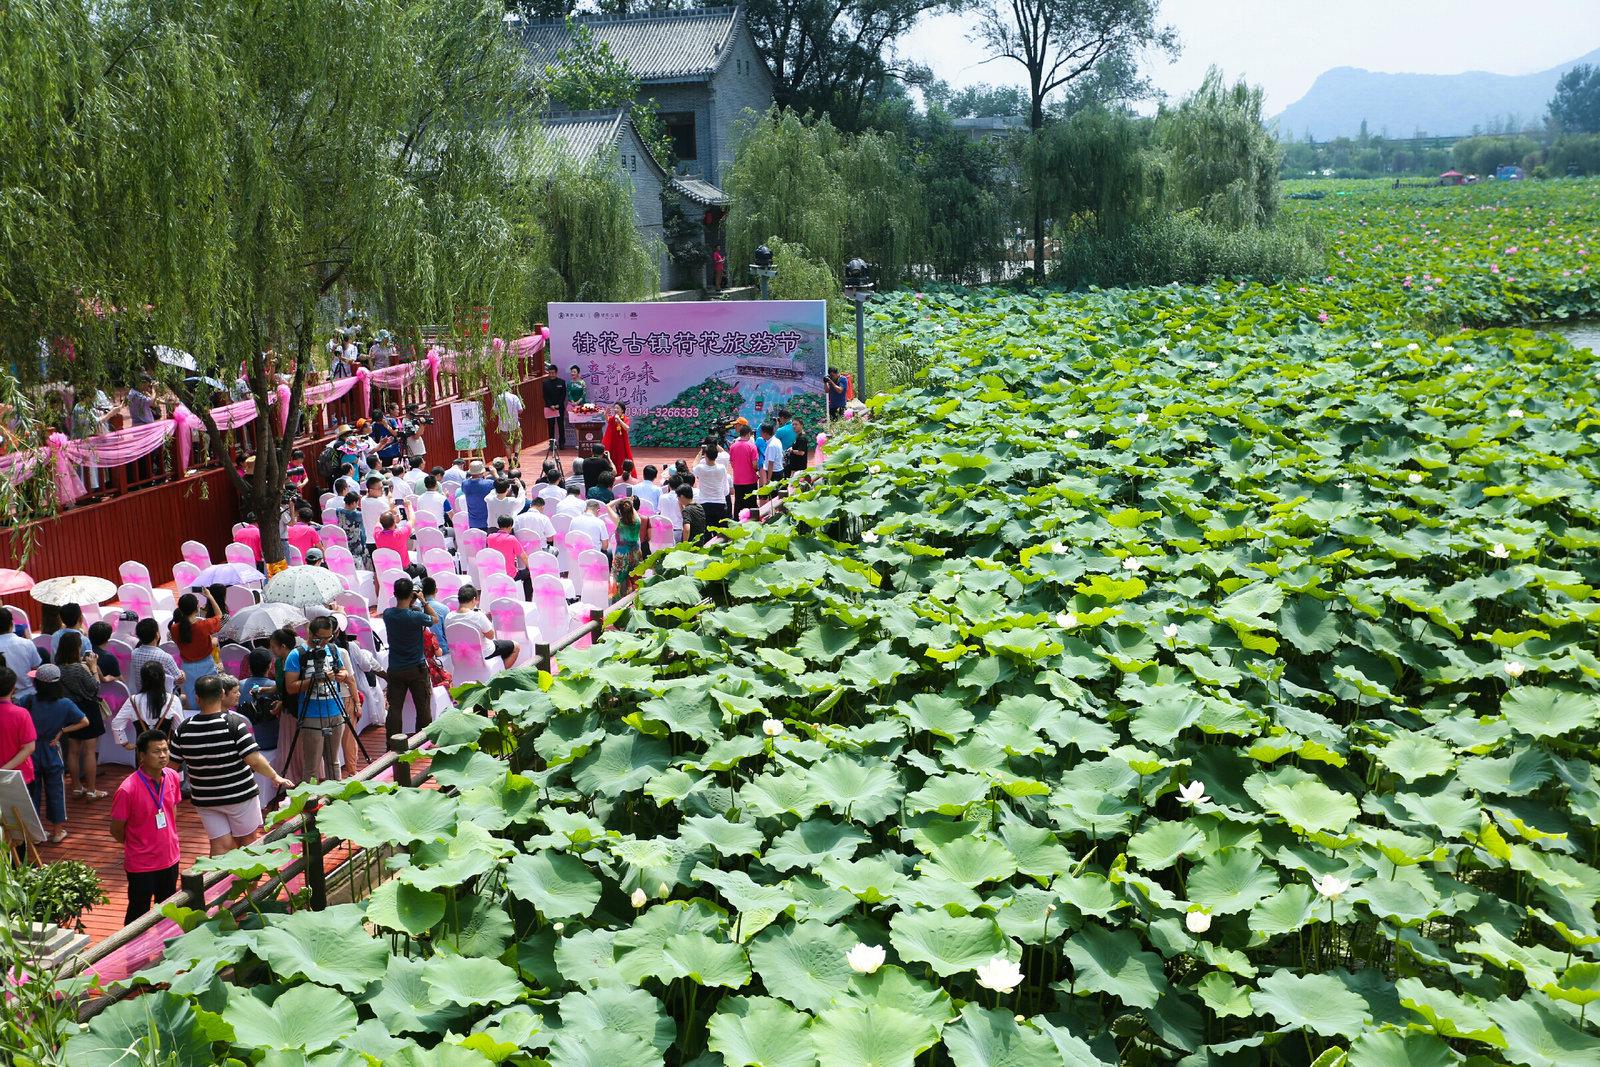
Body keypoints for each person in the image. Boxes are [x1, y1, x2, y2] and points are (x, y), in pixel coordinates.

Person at [169, 674, 291, 856]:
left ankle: (219, 883)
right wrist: (275, 776)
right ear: (221, 694)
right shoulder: (233, 724)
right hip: (239, 795)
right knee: (249, 842)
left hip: (205, 799)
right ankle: (251, 885)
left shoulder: (184, 729)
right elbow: (254, 760)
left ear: (197, 698)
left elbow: (172, 767)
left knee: (220, 845)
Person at [111, 730, 182, 923]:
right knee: (138, 913)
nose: (163, 755)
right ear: (142, 756)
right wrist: (139, 843)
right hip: (142, 864)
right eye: (156, 751)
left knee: (167, 911)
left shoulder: (173, 776)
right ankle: (135, 954)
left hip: (169, 857)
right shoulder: (128, 789)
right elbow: (116, 829)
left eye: (166, 750)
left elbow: (171, 810)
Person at [283, 616, 357, 782]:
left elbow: (343, 671)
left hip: (336, 711)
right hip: (311, 715)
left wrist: (341, 675)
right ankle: (311, 802)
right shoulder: (297, 655)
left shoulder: (332, 649)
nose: (324, 642)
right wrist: (317, 680)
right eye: (321, 638)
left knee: (334, 762)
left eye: (328, 637)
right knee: (312, 765)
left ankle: (336, 797)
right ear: (311, 634)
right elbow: (291, 687)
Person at [21, 664, 88, 844]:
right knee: (56, 791)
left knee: (31, 793)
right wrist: (63, 731)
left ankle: (34, 833)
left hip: (30, 751)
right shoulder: (65, 704)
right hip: (52, 749)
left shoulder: (27, 701)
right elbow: (84, 721)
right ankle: (57, 831)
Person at [381, 579, 438, 738]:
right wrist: (423, 601)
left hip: (395, 668)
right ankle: (421, 741)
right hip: (416, 668)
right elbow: (435, 619)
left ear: (395, 594)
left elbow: (400, 610)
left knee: (395, 708)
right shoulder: (416, 616)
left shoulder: (388, 614)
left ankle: (393, 743)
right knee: (423, 706)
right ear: (411, 595)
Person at [54, 632, 105, 801]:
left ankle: (76, 787)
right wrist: (93, 668)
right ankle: (91, 789)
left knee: (73, 751)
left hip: (70, 709)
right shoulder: (80, 668)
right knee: (90, 751)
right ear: (77, 648)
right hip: (88, 709)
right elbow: (95, 687)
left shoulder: (58, 668)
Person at [170, 590, 224, 707]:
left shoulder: (174, 629)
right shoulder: (203, 625)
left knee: (193, 700)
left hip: (187, 667)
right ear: (197, 608)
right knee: (211, 696)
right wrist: (210, 597)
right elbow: (221, 618)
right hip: (206, 665)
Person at [114, 660, 184, 748]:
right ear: (163, 678)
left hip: (142, 752)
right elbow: (179, 727)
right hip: (164, 752)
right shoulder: (173, 700)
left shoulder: (133, 700)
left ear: (142, 679)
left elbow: (116, 724)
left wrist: (125, 743)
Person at [449, 585, 518, 668]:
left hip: (459, 654)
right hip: (483, 653)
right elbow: (491, 636)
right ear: (474, 599)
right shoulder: (478, 616)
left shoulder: (449, 617)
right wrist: (487, 620)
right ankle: (500, 673)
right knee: (516, 646)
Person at [0, 667, 37, 800]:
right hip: (19, 776)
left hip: (16, 776)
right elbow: (29, 747)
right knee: (22, 819)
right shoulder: (21, 714)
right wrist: (3, 770)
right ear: (12, 688)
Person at [0, 607, 42, 702]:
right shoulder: (27, 643)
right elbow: (36, 668)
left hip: (4, 700)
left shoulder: (26, 643)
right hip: (28, 695)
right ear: (12, 624)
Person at [609, 498, 650, 596]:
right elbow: (633, 512)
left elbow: (608, 506)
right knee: (636, 578)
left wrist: (620, 499)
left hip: (622, 553)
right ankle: (636, 600)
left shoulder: (619, 522)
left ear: (620, 511)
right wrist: (629, 502)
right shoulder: (638, 521)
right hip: (635, 552)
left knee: (619, 579)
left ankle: (620, 602)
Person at [131, 617, 183, 688]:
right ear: (157, 635)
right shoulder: (165, 657)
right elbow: (179, 678)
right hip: (162, 696)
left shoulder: (134, 653)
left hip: (140, 694)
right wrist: (183, 674)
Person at [693, 442, 732, 527]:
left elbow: (694, 465)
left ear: (705, 455)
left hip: (705, 503)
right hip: (720, 502)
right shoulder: (722, 468)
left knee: (707, 532)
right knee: (721, 532)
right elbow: (725, 488)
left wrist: (700, 453)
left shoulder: (700, 468)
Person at [729, 424, 760, 517]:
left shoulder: (732, 446)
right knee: (751, 504)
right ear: (749, 434)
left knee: (738, 502)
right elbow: (755, 464)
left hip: (737, 480)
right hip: (750, 480)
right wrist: (757, 470)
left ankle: (737, 521)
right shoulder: (752, 447)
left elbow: (732, 463)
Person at [419, 577, 451, 659]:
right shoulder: (443, 609)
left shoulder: (415, 608)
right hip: (442, 651)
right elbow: (448, 633)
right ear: (436, 590)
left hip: (422, 651)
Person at [336, 491, 369, 567]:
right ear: (354, 502)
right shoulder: (356, 514)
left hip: (344, 540)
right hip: (355, 542)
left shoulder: (338, 510)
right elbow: (363, 529)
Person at [462, 459, 496, 532]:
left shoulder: (464, 484)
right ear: (482, 471)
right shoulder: (489, 483)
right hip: (487, 521)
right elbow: (504, 486)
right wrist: (495, 474)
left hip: (472, 522)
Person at [603, 401, 633, 477]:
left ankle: (621, 473)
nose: (615, 409)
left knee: (621, 457)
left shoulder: (625, 418)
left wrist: (619, 420)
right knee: (612, 456)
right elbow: (608, 421)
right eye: (615, 408)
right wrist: (606, 414)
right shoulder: (613, 418)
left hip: (621, 442)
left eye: (617, 408)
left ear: (622, 410)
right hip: (613, 441)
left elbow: (627, 428)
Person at [542, 369, 568, 452]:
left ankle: (562, 443)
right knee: (551, 426)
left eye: (553, 373)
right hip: (549, 408)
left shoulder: (561, 382)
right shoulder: (545, 383)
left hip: (559, 407)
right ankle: (552, 444)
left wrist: (558, 405)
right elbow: (545, 396)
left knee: (561, 425)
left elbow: (563, 395)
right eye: (550, 373)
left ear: (556, 373)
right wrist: (551, 405)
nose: (551, 374)